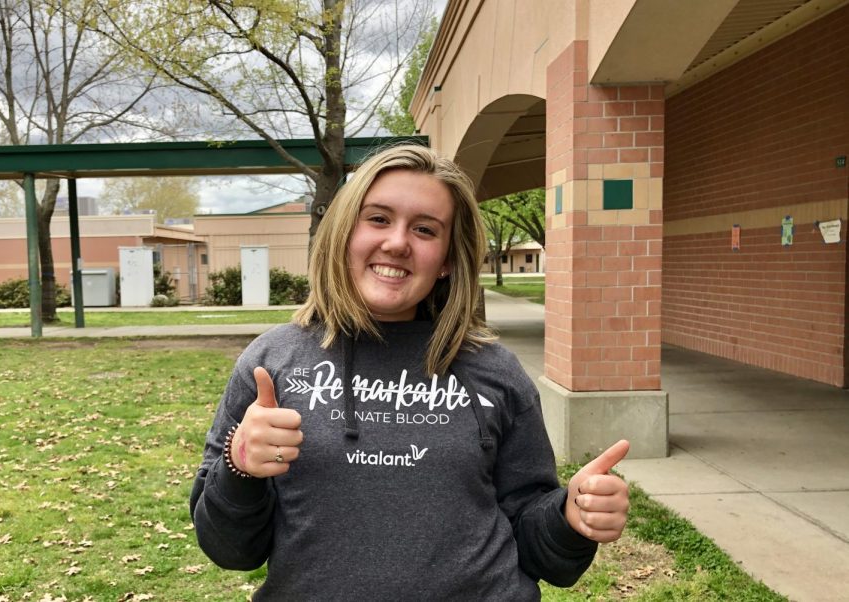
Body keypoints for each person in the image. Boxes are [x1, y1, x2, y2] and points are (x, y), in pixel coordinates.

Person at [189, 144, 630, 601]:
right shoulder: (272, 363)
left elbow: (540, 550)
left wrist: (570, 518)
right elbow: (230, 549)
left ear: (447, 261)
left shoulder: (494, 371)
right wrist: (238, 468)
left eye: (424, 229)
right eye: (378, 218)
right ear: (343, 233)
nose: (398, 242)